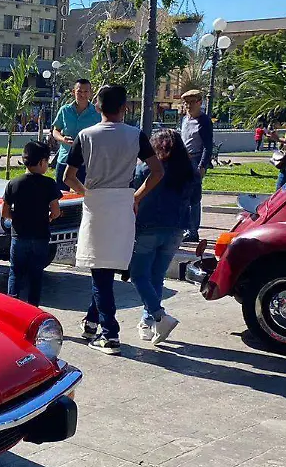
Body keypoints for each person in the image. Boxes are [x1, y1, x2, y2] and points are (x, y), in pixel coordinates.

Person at [63, 83, 163, 355]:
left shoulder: (86, 135)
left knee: (100, 272)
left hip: (97, 203)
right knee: (106, 269)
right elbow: (157, 171)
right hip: (123, 203)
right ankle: (93, 322)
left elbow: (68, 177)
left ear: (98, 107)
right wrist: (137, 197)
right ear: (124, 108)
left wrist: (87, 193)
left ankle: (110, 335)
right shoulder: (136, 135)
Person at [130, 129, 194, 344]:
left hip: (148, 226)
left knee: (139, 275)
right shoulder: (189, 170)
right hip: (176, 228)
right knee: (156, 276)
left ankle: (159, 315)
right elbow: (195, 199)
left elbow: (133, 192)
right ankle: (148, 322)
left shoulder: (146, 169)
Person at [3, 141, 62, 306]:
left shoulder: (14, 183)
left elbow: (5, 212)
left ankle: (11, 307)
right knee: (36, 275)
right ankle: (32, 309)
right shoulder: (49, 184)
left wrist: (17, 218)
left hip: (19, 236)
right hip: (41, 236)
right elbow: (56, 211)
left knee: (15, 272)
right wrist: (49, 218)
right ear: (42, 161)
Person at [51, 79, 102, 192]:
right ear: (73, 92)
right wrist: (62, 139)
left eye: (86, 91)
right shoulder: (65, 110)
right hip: (65, 158)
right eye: (79, 91)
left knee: (85, 194)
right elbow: (55, 130)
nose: (82, 94)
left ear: (90, 93)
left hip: (87, 161)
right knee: (60, 194)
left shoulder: (97, 112)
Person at [178, 89, 213, 243]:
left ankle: (193, 231)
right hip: (183, 160)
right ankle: (184, 228)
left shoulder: (204, 121)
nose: (189, 106)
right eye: (186, 103)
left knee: (193, 198)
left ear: (200, 102)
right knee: (182, 196)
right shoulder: (185, 119)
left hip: (195, 159)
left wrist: (202, 165)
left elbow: (207, 146)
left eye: (192, 102)